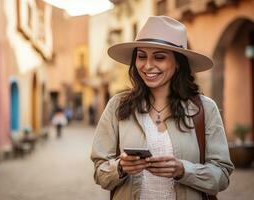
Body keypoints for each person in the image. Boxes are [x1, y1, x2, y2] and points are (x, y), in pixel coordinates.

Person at [91, 16, 234, 200]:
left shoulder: (205, 109)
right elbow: (99, 174)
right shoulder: (117, 106)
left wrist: (183, 170)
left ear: (178, 63)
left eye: (159, 57)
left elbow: (222, 176)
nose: (148, 65)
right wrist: (120, 167)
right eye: (141, 56)